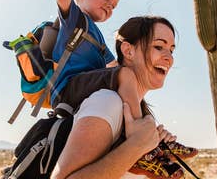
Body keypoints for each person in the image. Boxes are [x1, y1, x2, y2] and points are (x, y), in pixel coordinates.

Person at [51, 16, 191, 179]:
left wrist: (152, 140)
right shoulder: (108, 102)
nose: (169, 58)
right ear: (128, 51)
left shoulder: (138, 113)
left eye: (172, 50)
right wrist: (137, 145)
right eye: (159, 46)